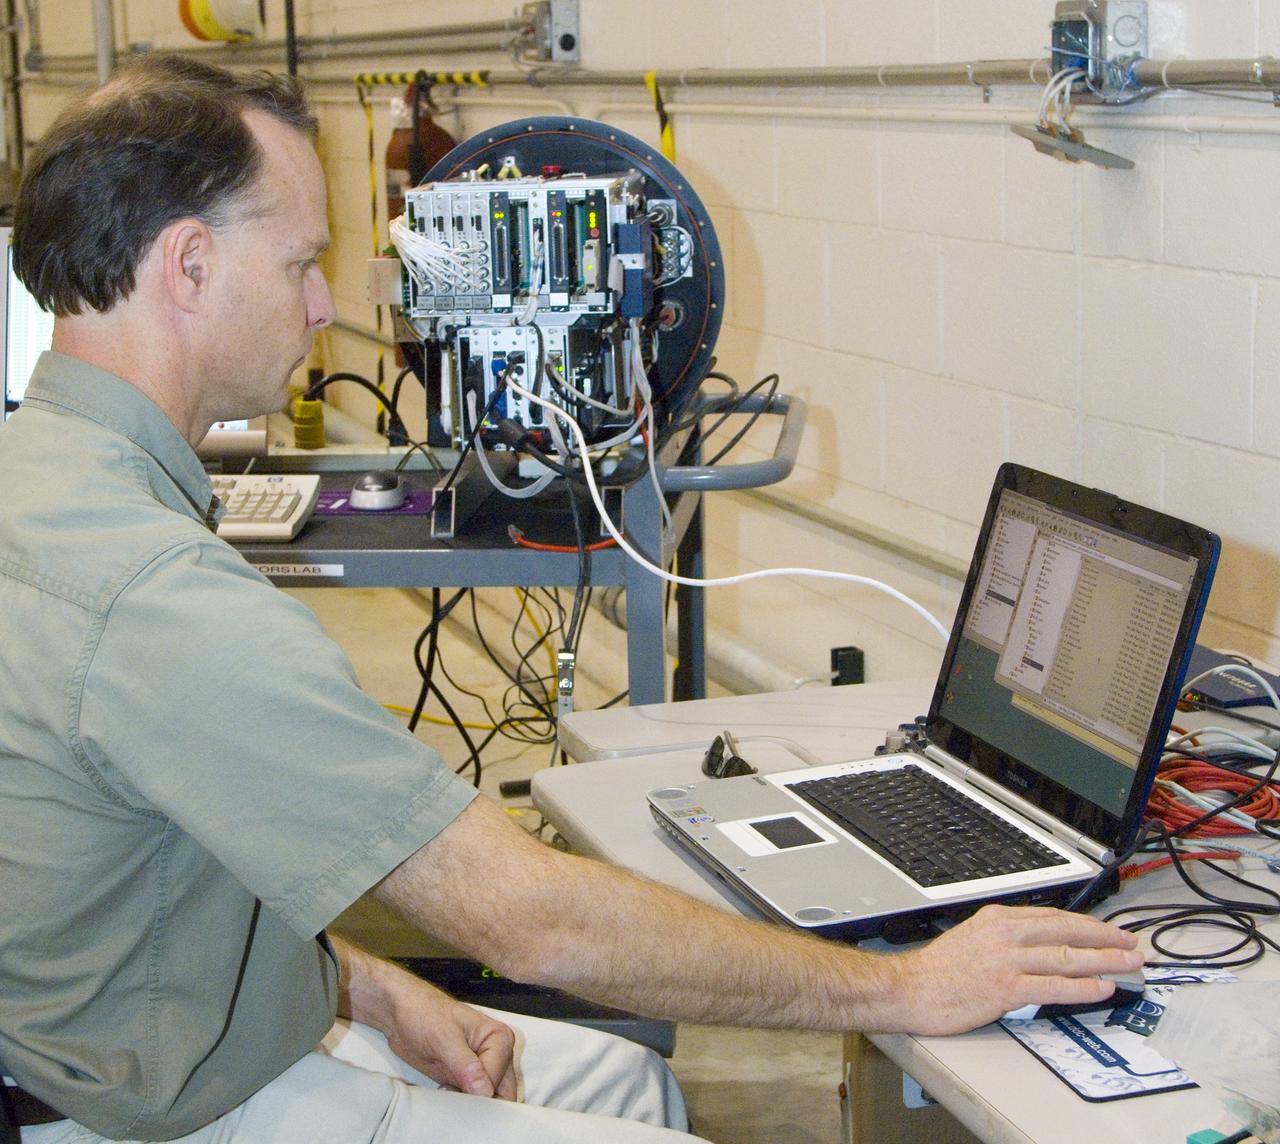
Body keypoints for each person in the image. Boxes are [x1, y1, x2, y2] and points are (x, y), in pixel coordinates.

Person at [0, 54, 1142, 1144]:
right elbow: (530, 921)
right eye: (301, 262)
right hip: (159, 1110)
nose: (319, 305)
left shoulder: (45, 483)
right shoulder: (161, 598)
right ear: (190, 266)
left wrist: (372, 988)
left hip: (126, 1034)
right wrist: (906, 985)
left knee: (626, 1074)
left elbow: (151, 880)